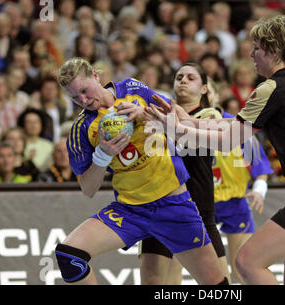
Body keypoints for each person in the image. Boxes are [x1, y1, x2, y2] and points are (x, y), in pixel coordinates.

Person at [145, 15, 285, 285]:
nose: (252, 54)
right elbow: (233, 125)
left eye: (256, 48)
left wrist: (177, 129)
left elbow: (229, 140)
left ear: (273, 50)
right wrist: (187, 120)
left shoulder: (271, 87)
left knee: (246, 263)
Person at [54, 57, 227, 285]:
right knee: (69, 255)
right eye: (75, 98)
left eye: (85, 91)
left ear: (96, 76)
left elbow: (176, 115)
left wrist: (145, 111)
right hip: (130, 211)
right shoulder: (81, 129)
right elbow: (88, 188)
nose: (83, 100)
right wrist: (102, 156)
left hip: (174, 205)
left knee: (218, 286)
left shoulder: (132, 89)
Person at [138, 62, 230, 284]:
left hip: (198, 209)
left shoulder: (209, 114)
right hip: (159, 206)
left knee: (220, 283)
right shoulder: (157, 114)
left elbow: (222, 133)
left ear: (205, 89)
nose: (183, 81)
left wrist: (176, 124)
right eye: (179, 77)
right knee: (154, 282)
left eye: (191, 78)